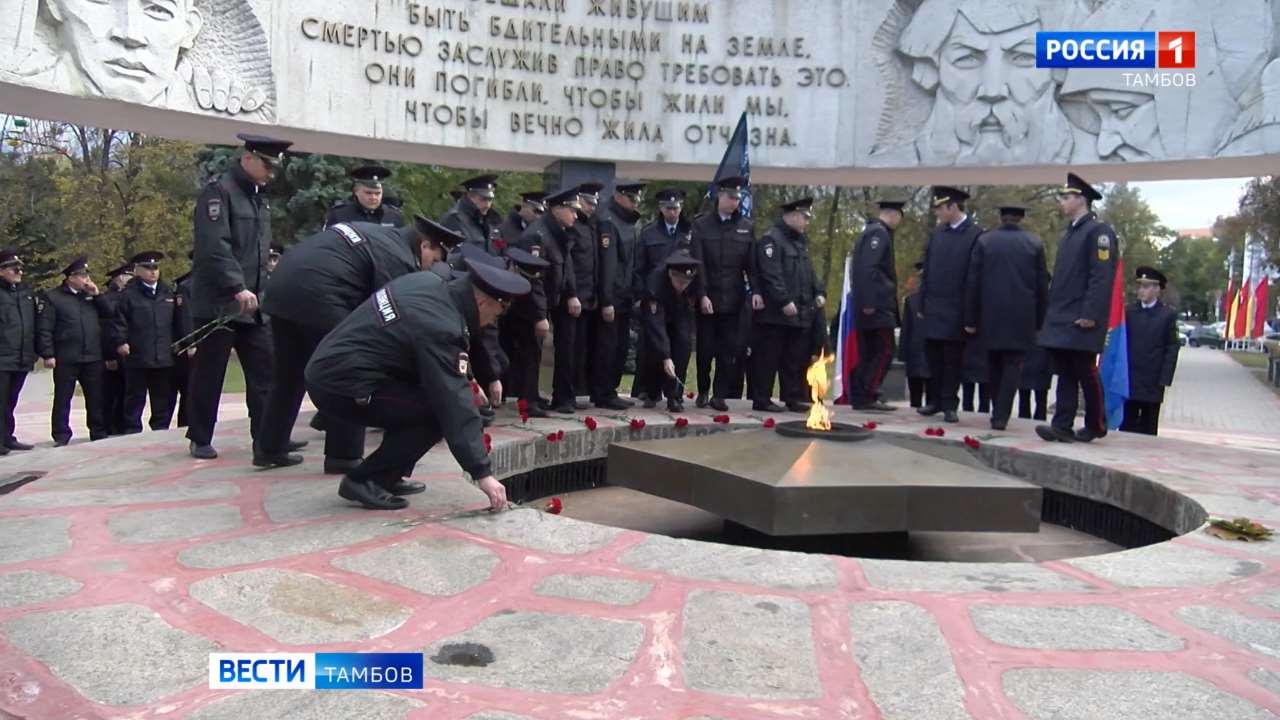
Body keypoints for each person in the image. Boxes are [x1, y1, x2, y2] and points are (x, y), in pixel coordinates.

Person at [305, 259, 530, 511]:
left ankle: (389, 474)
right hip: (342, 385)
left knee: (422, 397)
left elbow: (448, 349)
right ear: (482, 303)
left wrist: (473, 379)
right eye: (496, 315)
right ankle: (365, 480)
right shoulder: (441, 325)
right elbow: (452, 401)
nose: (492, 322)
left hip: (334, 366)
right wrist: (482, 472)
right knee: (437, 413)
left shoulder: (430, 284)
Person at [256, 216, 462, 470]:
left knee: (288, 375)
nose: (432, 266)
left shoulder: (383, 236)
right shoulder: (399, 259)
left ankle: (270, 446)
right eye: (437, 258)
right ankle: (344, 456)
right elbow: (389, 316)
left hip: (282, 288)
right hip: (320, 294)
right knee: (352, 365)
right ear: (425, 246)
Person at [187, 133, 291, 459]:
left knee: (265, 372)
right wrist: (236, 286)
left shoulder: (257, 196)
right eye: (267, 166)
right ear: (248, 158)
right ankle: (200, 436)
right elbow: (214, 246)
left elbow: (259, 252)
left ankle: (267, 441)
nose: (272, 174)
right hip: (221, 302)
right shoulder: (219, 192)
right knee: (210, 373)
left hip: (254, 304)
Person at [1036, 173, 1120, 444]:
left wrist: (1091, 314)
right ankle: (1062, 425)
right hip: (1063, 314)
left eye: (1067, 197)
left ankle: (1096, 423)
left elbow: (1101, 276)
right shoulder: (1070, 233)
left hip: (1082, 315)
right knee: (1066, 371)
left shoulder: (1099, 233)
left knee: (1084, 369)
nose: (1062, 201)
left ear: (1081, 199)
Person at [963, 205, 1050, 430]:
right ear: (1021, 218)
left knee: (993, 363)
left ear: (1001, 218)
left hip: (990, 313)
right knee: (1013, 364)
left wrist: (970, 318)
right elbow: (1042, 285)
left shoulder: (984, 241)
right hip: (1022, 315)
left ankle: (996, 409)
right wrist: (1041, 320)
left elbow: (973, 282)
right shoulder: (1034, 244)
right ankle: (1001, 414)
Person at [751, 197, 824, 413]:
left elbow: (808, 273)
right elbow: (771, 274)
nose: (806, 222)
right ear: (792, 216)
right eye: (804, 217)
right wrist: (783, 300)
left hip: (800, 312)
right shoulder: (772, 240)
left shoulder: (800, 242)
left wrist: (819, 292)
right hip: (776, 313)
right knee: (769, 357)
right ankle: (762, 398)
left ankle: (792, 397)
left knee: (794, 358)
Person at [918, 186, 983, 424]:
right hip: (934, 306)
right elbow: (928, 270)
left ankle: (949, 403)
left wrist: (971, 315)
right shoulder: (938, 233)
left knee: (952, 360)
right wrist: (922, 302)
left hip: (957, 309)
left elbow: (975, 278)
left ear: (953, 207)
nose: (937, 214)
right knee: (933, 357)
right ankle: (934, 400)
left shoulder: (975, 234)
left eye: (940, 208)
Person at [690, 176, 756, 412]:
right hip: (709, 298)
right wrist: (702, 294)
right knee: (705, 349)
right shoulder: (701, 225)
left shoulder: (746, 227)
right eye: (730, 197)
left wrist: (756, 291)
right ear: (719, 195)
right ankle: (704, 390)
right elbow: (698, 264)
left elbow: (751, 265)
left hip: (734, 299)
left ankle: (719, 394)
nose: (734, 202)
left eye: (738, 198)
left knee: (728, 350)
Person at [515, 187, 582, 414]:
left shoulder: (561, 233)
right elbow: (533, 280)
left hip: (556, 297)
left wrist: (572, 294)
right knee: (532, 351)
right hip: (534, 303)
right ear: (558, 209)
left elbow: (567, 266)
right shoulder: (537, 235)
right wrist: (540, 315)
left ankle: (561, 396)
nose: (575, 215)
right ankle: (529, 401)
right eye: (572, 211)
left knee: (564, 346)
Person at [36, 255, 107, 445]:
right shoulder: (54, 297)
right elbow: (45, 327)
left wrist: (98, 295)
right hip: (66, 355)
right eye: (81, 275)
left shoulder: (90, 296)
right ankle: (61, 434)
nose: (86, 279)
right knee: (63, 397)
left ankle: (98, 431)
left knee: (95, 397)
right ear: (70, 278)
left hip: (92, 354)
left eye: (87, 275)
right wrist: (48, 354)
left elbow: (109, 314)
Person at [108, 251, 180, 433]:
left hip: (163, 354)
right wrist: (121, 341)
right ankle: (132, 429)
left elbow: (177, 322)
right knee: (135, 396)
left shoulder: (168, 292)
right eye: (148, 268)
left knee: (162, 395)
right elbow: (119, 321)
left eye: (155, 268)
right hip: (138, 354)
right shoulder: (128, 295)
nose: (153, 272)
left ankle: (160, 427)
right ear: (138, 270)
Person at [847, 199, 905, 410]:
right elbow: (869, 269)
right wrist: (870, 301)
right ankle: (868, 392)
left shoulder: (871, 232)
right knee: (883, 350)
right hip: (877, 304)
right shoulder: (878, 234)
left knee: (871, 351)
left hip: (871, 303)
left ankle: (863, 393)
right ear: (893, 215)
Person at [572, 182, 624, 410]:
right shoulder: (572, 226)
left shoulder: (598, 225)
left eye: (594, 203)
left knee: (600, 349)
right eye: (587, 202)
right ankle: (568, 394)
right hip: (577, 299)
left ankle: (600, 392)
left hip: (596, 298)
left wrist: (606, 298)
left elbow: (606, 265)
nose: (591, 207)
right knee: (574, 350)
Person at [594, 180, 646, 408]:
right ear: (618, 196)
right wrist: (606, 300)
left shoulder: (629, 222)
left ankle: (611, 389)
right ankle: (603, 392)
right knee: (608, 347)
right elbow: (608, 265)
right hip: (612, 298)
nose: (634, 203)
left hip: (625, 297)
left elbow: (632, 262)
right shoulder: (607, 221)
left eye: (636, 199)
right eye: (631, 198)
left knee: (621, 347)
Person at [1120, 266, 1181, 436]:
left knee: (1148, 427)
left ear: (1157, 290)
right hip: (1131, 376)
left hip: (1152, 379)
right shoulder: (1129, 311)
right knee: (1127, 425)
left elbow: (1172, 347)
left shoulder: (1167, 315)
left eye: (1146, 287)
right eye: (1140, 286)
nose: (1141, 291)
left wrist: (1165, 378)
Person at [640, 249, 701, 411]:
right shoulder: (655, 282)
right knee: (656, 352)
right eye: (679, 282)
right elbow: (656, 324)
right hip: (658, 315)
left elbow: (687, 315)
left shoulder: (694, 281)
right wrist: (666, 356)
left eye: (686, 282)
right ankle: (652, 393)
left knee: (683, 345)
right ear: (671, 274)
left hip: (680, 312)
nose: (682, 286)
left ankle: (674, 396)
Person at [499, 247, 551, 415]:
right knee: (526, 354)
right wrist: (539, 315)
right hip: (521, 314)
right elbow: (535, 288)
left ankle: (527, 397)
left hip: (522, 312)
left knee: (529, 355)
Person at [0, 250, 36, 454]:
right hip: (3, 356)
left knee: (10, 401)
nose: (19, 271)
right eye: (14, 268)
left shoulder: (24, 293)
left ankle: (7, 437)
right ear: (1, 270)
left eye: (21, 268)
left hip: (21, 356)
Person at [97, 263, 133, 436]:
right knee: (110, 393)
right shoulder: (109, 298)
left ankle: (122, 424)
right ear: (119, 278)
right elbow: (105, 329)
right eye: (129, 276)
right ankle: (109, 426)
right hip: (112, 353)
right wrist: (109, 355)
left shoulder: (128, 296)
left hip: (129, 353)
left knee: (126, 391)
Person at [325, 165, 405, 229]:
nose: (373, 197)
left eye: (377, 193)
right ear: (356, 191)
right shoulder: (340, 215)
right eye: (368, 193)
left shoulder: (393, 216)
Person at [441, 174, 503, 255]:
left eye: (490, 200)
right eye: (483, 199)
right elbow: (456, 256)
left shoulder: (492, 220)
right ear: (470, 196)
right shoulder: (454, 219)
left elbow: (500, 247)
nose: (487, 205)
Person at [899, 262, 931, 408]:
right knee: (915, 399)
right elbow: (906, 330)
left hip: (933, 355)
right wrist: (903, 354)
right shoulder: (911, 301)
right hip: (915, 355)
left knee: (933, 397)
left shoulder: (941, 301)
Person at [170, 253, 195, 428]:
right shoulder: (186, 286)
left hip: (210, 342)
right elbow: (184, 316)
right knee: (189, 389)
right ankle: (186, 425)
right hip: (192, 346)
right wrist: (190, 342)